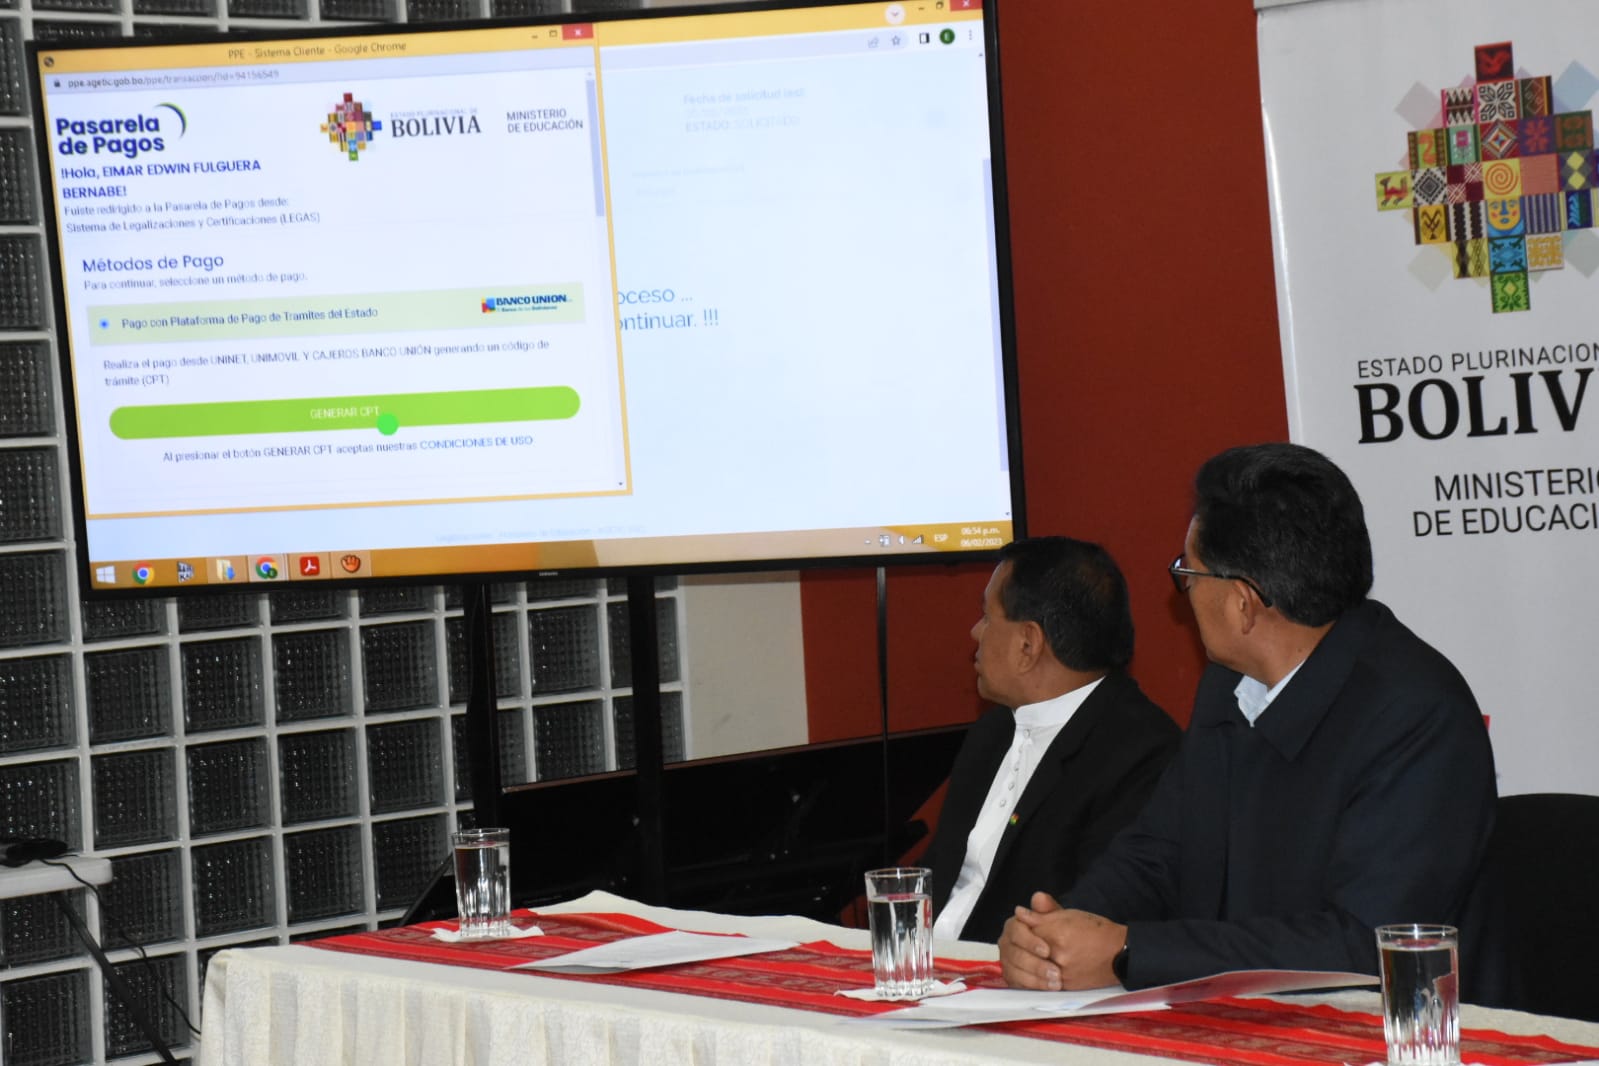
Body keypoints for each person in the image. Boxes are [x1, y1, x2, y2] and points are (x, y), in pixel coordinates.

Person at [999, 443, 1496, 990]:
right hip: (1241, 1011)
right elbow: (1157, 853)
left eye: (1189, 572)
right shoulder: (1231, 685)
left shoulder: (1418, 716)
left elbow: (1363, 945)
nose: (1185, 590)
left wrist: (1130, 952)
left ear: (1242, 603)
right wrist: (1059, 933)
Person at [925, 536, 1180, 943]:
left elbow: (1093, 917)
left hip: (1016, 972)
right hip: (928, 961)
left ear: (1028, 643)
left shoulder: (1141, 755)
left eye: (987, 617)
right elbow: (936, 877)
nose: (975, 632)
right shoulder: (991, 733)